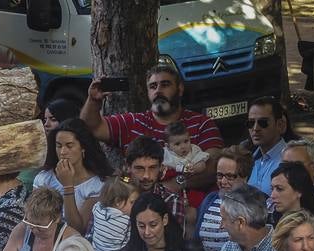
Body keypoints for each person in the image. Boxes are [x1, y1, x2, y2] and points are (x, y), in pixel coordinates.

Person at [80, 64, 223, 190]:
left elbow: (213, 167)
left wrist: (175, 184)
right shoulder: (133, 122)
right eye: (153, 86)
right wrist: (93, 100)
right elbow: (90, 127)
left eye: (165, 85)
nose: (158, 91)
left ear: (180, 89)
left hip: (189, 207)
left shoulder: (201, 123)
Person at [31, 118, 112, 235]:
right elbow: (34, 217)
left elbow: (78, 229)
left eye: (69, 146)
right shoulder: (44, 178)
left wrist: (68, 186)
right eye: (59, 146)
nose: (63, 152)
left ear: (83, 148)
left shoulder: (96, 186)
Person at [197, 148, 251, 251]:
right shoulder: (210, 200)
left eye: (230, 176)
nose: (223, 181)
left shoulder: (255, 205)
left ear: (245, 177)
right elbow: (197, 242)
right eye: (220, 175)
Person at [124, 136, 186, 227]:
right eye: (139, 168)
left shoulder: (171, 200)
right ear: (128, 167)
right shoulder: (117, 195)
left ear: (161, 167)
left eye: (152, 168)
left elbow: (173, 240)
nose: (146, 176)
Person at [271, 163, 314, 244]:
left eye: (279, 189)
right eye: (272, 189)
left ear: (299, 191)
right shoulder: (272, 219)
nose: (272, 195)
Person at [247, 98, 290, 194]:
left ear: (280, 125)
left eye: (263, 123)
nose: (255, 128)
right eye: (251, 123)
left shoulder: (290, 160)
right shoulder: (249, 159)